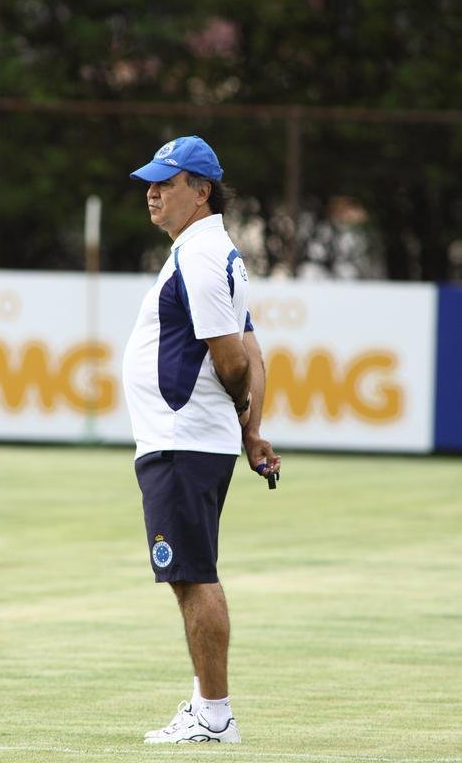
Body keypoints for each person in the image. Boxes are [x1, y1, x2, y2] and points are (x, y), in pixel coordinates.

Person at [122, 135, 281, 744]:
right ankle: (205, 706)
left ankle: (214, 715)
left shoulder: (201, 256)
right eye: (150, 183)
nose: (152, 193)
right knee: (191, 574)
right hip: (188, 439)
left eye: (166, 183)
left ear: (201, 191)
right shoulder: (214, 252)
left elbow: (235, 361)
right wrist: (252, 430)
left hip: (181, 437)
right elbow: (254, 350)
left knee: (192, 576)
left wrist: (242, 414)